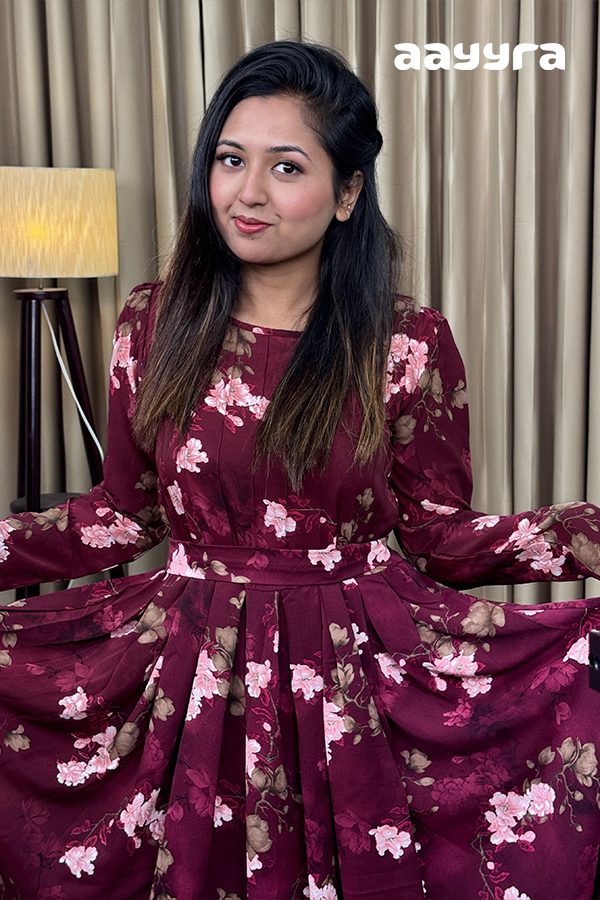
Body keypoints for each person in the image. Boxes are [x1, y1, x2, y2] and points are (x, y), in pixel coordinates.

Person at [0, 39, 598, 900]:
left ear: (347, 192)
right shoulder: (152, 323)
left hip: (355, 675)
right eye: (230, 160)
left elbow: (441, 538)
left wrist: (582, 533)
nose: (247, 192)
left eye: (286, 167)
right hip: (193, 674)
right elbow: (123, 515)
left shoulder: (407, 343)